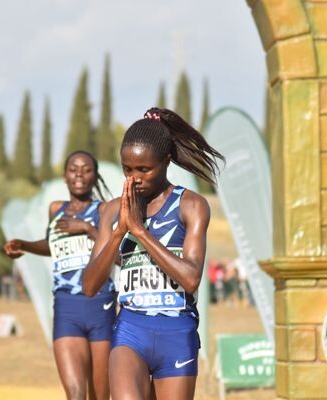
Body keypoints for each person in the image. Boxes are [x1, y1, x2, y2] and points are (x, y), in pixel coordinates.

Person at [82, 107, 224, 400]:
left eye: (144, 170)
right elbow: (90, 286)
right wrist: (120, 231)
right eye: (127, 169)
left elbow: (191, 278)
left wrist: (141, 231)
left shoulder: (191, 206)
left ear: (166, 161)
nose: (134, 178)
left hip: (177, 332)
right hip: (131, 330)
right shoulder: (112, 210)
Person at [4, 150, 115, 400]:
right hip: (67, 308)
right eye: (73, 170)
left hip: (101, 307)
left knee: (99, 397)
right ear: (65, 176)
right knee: (75, 394)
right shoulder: (56, 209)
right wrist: (24, 245)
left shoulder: (104, 210)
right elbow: (51, 244)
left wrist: (87, 229)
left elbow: (117, 254)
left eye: (86, 170)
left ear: (95, 176)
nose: (79, 175)